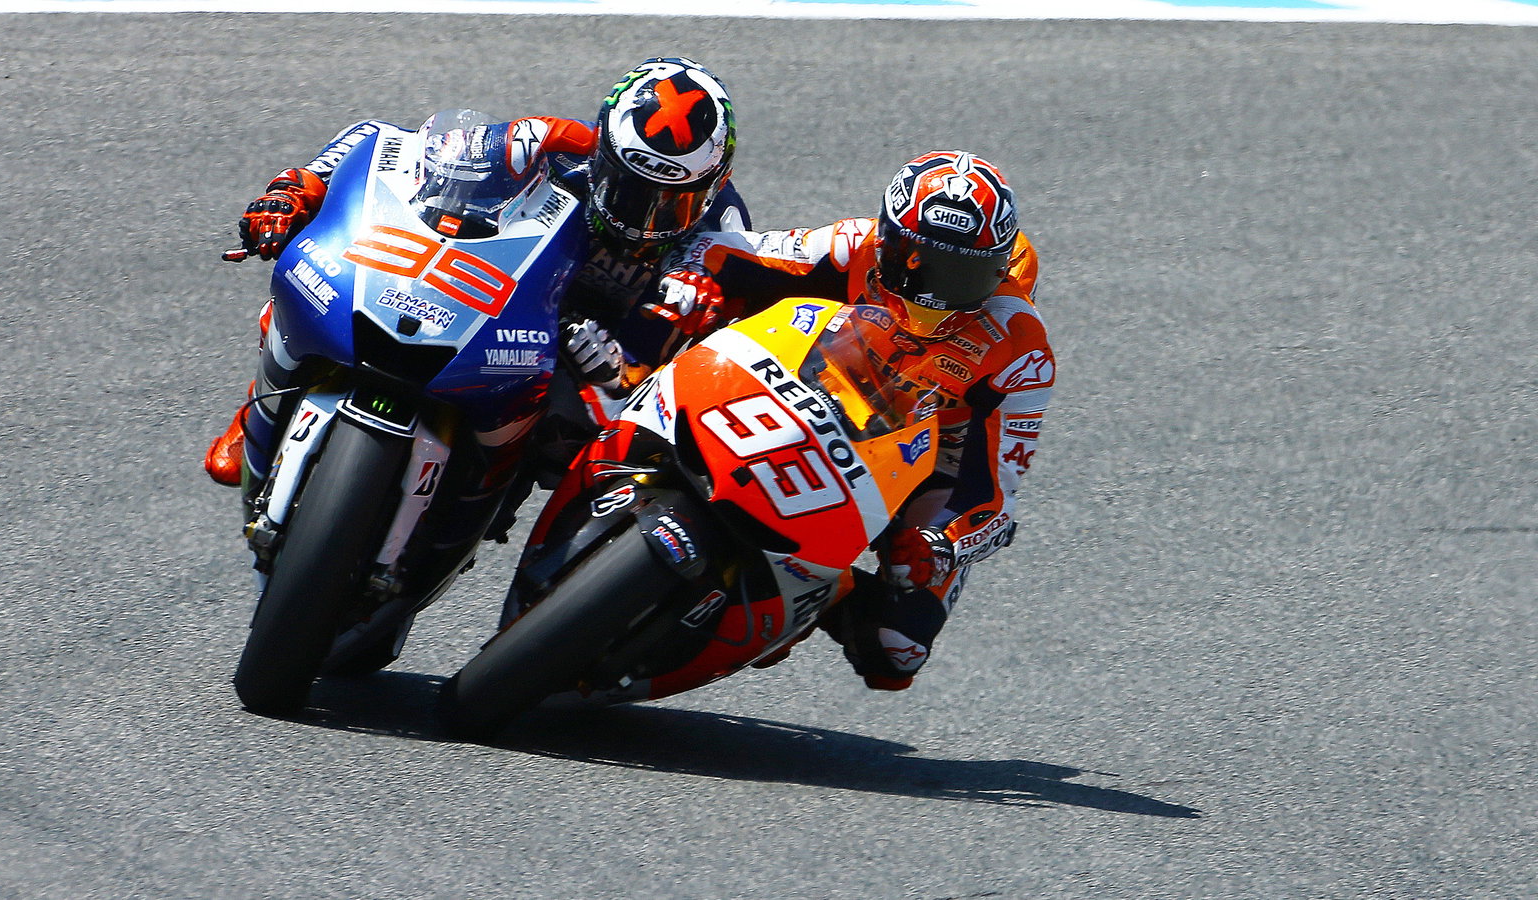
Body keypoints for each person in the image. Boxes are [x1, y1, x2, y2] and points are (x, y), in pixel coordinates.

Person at [204, 57, 746, 506]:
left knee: (594, 462)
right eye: (627, 187)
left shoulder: (728, 232)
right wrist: (292, 189)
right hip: (499, 306)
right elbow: (392, 145)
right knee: (324, 273)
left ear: (715, 181)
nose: (641, 217)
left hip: (593, 366)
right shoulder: (552, 144)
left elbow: (712, 362)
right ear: (602, 148)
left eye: (670, 201)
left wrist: (624, 368)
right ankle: (263, 401)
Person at [648, 150, 1053, 690]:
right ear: (887, 239)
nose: (934, 292)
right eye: (918, 260)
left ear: (999, 273)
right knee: (666, 323)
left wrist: (944, 543)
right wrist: (691, 284)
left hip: (923, 465)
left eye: (964, 275)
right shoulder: (850, 246)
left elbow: (996, 497)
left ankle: (820, 588)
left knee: (897, 652)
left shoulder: (1021, 348)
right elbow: (727, 251)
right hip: (798, 384)